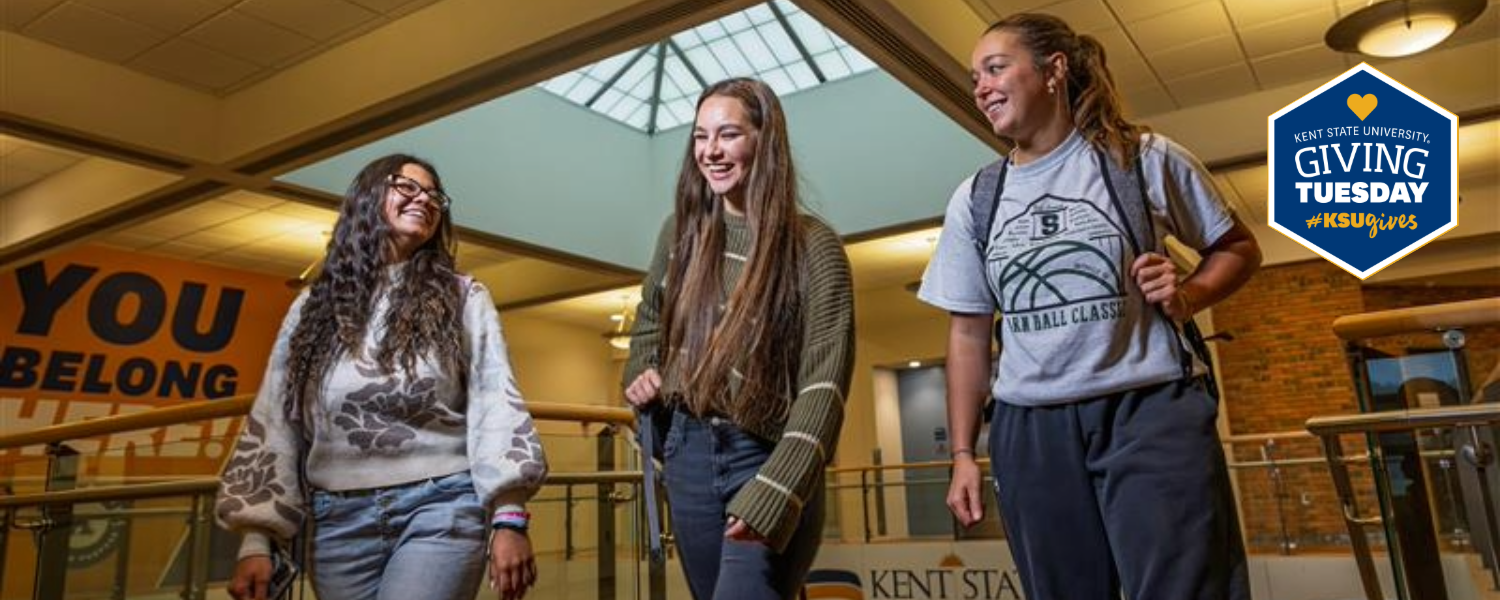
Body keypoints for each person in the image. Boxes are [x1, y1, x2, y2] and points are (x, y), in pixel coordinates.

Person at [918, 13, 1262, 600]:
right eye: (975, 75)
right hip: (1031, 425)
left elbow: (1236, 249)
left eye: (996, 68)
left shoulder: (1142, 158)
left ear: (1053, 71)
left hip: (1147, 406)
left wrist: (1188, 295)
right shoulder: (977, 197)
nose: (980, 86)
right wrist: (962, 453)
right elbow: (968, 334)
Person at [215, 154, 547, 600]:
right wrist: (257, 538)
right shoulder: (312, 307)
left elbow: (495, 402)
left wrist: (509, 517)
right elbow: (277, 415)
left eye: (434, 195)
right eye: (407, 187)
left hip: (441, 506)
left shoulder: (464, 297)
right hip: (336, 523)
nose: (424, 199)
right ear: (368, 199)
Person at [621, 77, 855, 600]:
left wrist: (778, 490)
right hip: (687, 453)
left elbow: (823, 390)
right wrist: (640, 373)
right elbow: (649, 323)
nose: (711, 151)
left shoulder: (814, 247)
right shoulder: (679, 233)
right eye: (701, 137)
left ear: (764, 140)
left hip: (765, 456)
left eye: (728, 134)